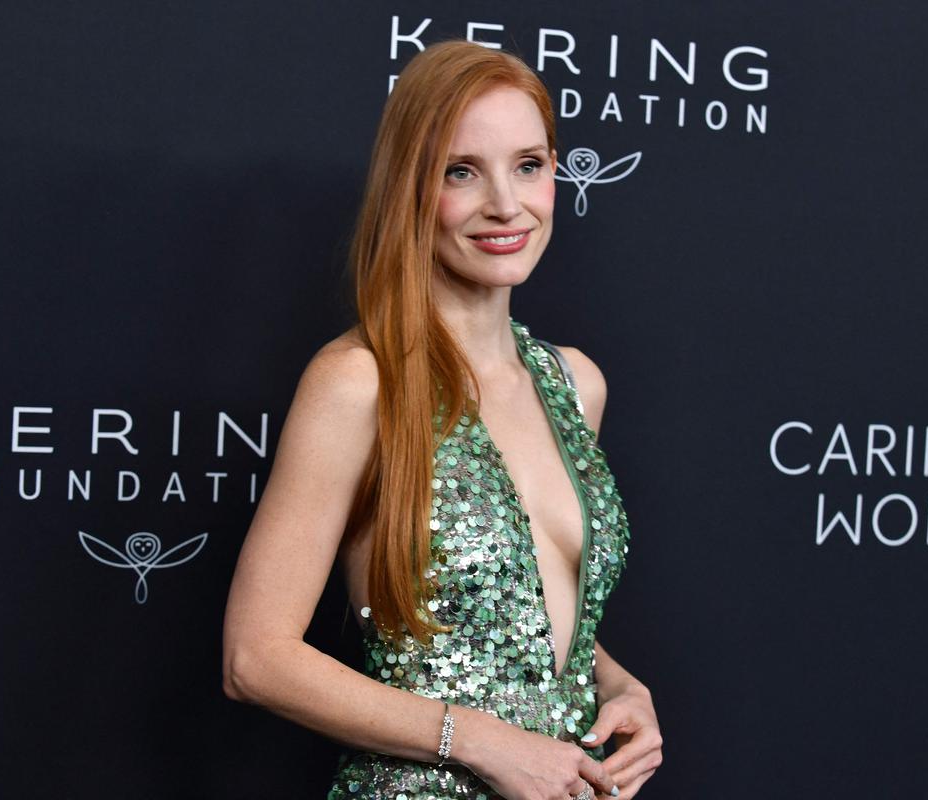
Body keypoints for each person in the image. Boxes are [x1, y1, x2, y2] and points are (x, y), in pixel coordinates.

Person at [221, 40, 662, 800]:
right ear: (410, 189)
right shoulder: (361, 383)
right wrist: (484, 742)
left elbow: (526, 624)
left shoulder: (573, 383)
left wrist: (623, 688)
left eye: (530, 165)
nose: (506, 204)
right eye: (462, 171)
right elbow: (254, 657)